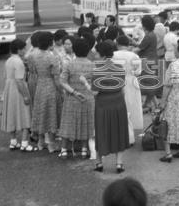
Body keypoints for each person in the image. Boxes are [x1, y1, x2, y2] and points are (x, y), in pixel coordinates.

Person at [93, 41, 130, 173]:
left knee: (101, 131)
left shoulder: (97, 70)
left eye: (97, 52)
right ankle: (119, 163)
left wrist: (84, 84)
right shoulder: (119, 68)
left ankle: (99, 163)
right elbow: (123, 89)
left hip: (103, 104)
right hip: (118, 102)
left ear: (102, 55)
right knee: (118, 131)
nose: (95, 54)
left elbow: (94, 92)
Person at [58, 38, 95, 159]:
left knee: (68, 122)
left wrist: (74, 92)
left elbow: (62, 81)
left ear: (74, 50)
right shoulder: (92, 65)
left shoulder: (69, 64)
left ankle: (64, 150)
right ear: (88, 50)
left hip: (72, 98)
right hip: (88, 98)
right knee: (86, 123)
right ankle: (84, 150)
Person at [1, 39, 37, 152]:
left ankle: (13, 142)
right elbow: (19, 81)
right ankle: (25, 143)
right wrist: (26, 96)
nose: (25, 51)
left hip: (9, 89)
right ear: (19, 50)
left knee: (12, 114)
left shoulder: (8, 61)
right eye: (24, 49)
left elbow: (6, 77)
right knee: (25, 115)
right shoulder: (19, 62)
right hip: (18, 90)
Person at [30, 31, 61, 153]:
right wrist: (62, 91)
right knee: (51, 114)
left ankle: (41, 141)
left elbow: (33, 72)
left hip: (40, 86)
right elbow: (57, 78)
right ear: (50, 42)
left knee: (41, 113)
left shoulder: (33, 56)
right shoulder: (52, 57)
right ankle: (51, 144)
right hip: (51, 87)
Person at [113, 35, 143, 134]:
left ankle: (119, 129)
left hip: (117, 81)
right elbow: (138, 72)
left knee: (119, 106)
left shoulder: (113, 55)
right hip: (132, 81)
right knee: (132, 106)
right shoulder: (134, 56)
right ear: (128, 44)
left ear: (117, 44)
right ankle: (132, 131)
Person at [133, 15, 158, 112]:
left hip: (147, 62)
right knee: (150, 84)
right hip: (153, 60)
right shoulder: (152, 34)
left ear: (144, 26)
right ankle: (153, 105)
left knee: (144, 84)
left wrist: (129, 51)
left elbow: (139, 49)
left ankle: (146, 105)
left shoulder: (148, 36)